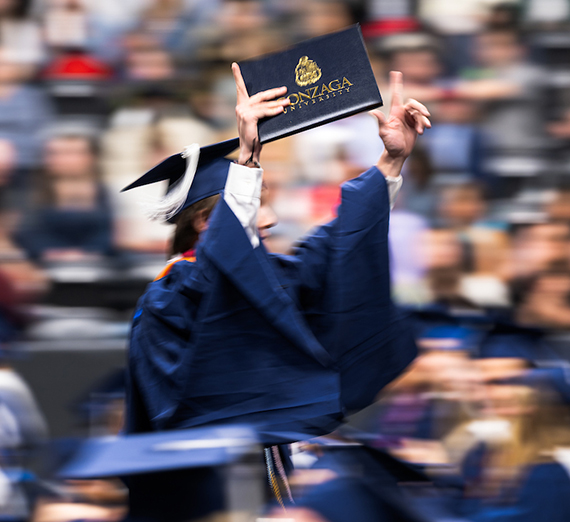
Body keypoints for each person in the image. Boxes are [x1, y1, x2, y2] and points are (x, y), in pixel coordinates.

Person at [123, 64, 431, 520]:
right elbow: (216, 280)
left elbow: (327, 255)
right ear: (207, 223)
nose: (269, 221)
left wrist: (390, 163)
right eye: (255, 206)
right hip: (203, 493)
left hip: (264, 475)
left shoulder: (261, 274)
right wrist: (246, 157)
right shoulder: (170, 297)